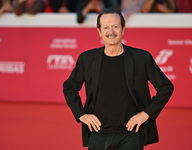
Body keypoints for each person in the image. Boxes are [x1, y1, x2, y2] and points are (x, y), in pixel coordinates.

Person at [63, 8, 174, 149]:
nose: (111, 31)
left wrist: (146, 114)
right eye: (106, 27)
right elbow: (69, 87)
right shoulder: (87, 59)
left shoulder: (141, 58)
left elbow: (166, 87)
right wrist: (81, 115)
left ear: (123, 29)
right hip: (97, 134)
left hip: (131, 135)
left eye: (115, 26)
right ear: (99, 31)